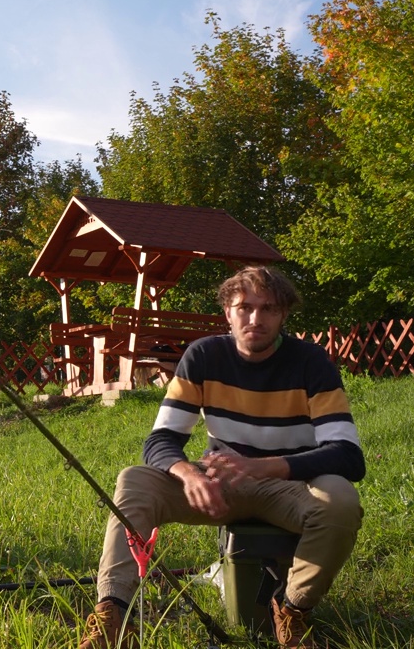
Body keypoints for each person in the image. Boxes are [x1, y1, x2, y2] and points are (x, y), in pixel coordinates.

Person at [79, 266, 364, 649]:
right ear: (227, 312)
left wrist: (265, 467)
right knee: (134, 478)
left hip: (290, 483)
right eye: (244, 307)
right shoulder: (204, 355)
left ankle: (292, 609)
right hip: (218, 484)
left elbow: (348, 456)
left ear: (284, 316)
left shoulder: (311, 362)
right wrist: (187, 474)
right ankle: (114, 615)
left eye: (269, 309)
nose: (255, 319)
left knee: (340, 500)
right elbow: (161, 439)